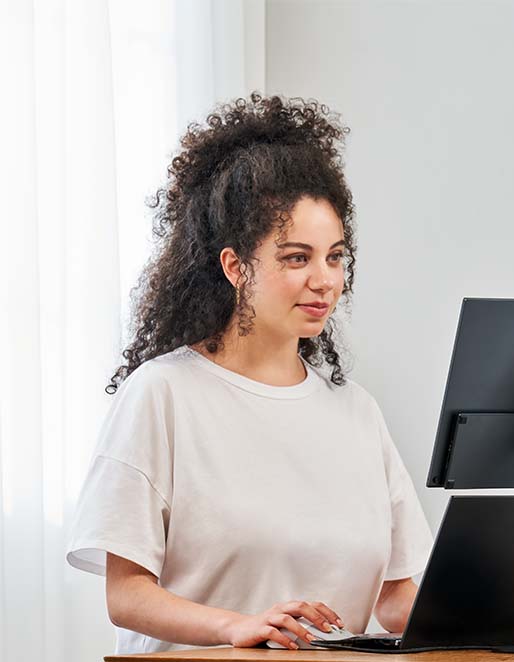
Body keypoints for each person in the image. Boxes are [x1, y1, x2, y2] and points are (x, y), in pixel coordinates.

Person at [65, 93, 434, 655]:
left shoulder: (356, 411)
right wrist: (235, 626)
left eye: (335, 257)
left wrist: (508, 611)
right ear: (235, 266)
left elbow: (396, 596)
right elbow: (128, 596)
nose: (324, 280)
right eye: (296, 258)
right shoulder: (162, 395)